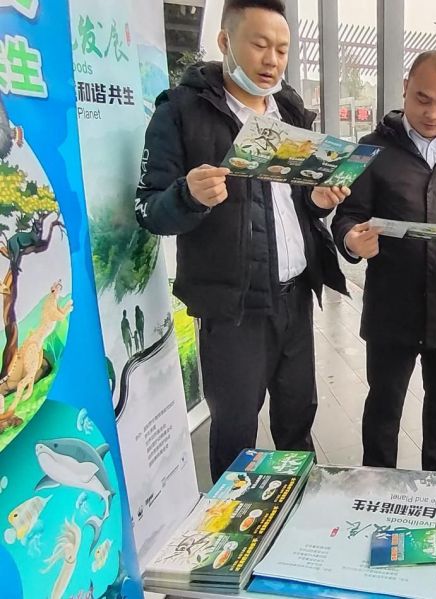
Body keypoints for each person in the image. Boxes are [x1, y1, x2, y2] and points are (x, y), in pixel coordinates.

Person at [135, 0, 350, 481]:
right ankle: (233, 521)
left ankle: (300, 508)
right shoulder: (181, 112)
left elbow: (296, 204)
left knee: (297, 418)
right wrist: (188, 196)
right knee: (235, 433)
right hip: (232, 309)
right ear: (225, 42)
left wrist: (318, 200)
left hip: (295, 297)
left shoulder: (290, 111)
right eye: (259, 45)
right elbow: (148, 210)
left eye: (282, 49)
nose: (272, 60)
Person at [332, 51, 436, 472]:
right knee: (384, 404)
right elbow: (346, 216)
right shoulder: (370, 149)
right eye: (423, 99)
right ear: (405, 88)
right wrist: (352, 240)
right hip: (391, 307)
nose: (432, 113)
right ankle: (377, 482)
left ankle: (435, 485)